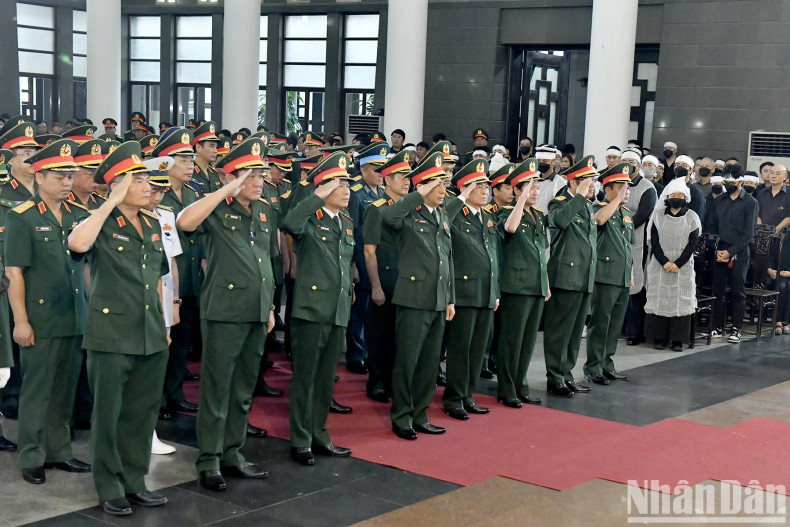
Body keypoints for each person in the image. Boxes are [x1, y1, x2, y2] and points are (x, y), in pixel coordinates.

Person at [68, 141, 170, 516]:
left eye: (145, 180)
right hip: (111, 333)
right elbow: (77, 243)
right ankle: (109, 486)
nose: (147, 187)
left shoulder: (153, 222)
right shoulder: (99, 222)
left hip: (149, 332)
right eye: (137, 181)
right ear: (118, 185)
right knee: (108, 415)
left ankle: (134, 480)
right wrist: (109, 202)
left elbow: (157, 278)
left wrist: (163, 322)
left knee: (141, 414)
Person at [176, 137, 275, 490]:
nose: (258, 182)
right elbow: (185, 222)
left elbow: (265, 260)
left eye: (260, 175)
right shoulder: (216, 208)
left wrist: (270, 306)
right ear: (232, 178)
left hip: (256, 310)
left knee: (243, 388)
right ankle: (209, 459)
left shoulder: (263, 210)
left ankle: (232, 452)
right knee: (217, 388)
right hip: (224, 311)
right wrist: (224, 191)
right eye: (250, 176)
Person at [5, 139, 91, 485]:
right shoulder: (21, 216)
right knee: (37, 390)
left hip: (74, 314)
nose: (67, 182)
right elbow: (14, 272)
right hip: (40, 318)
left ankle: (59, 451)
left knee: (65, 389)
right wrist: (21, 321)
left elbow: (86, 268)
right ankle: (31, 455)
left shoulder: (77, 214)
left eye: (70, 176)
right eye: (59, 176)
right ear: (39, 177)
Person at [280, 152, 355, 466]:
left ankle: (320, 434)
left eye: (347, 184)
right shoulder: (310, 218)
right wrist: (317, 196)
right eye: (340, 185)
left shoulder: (346, 223)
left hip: (337, 309)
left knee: (325, 379)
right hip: (311, 310)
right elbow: (288, 222)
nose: (347, 190)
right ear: (324, 188)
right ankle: (300, 440)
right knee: (305, 378)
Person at [383, 151, 455, 440]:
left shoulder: (443, 216)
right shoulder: (408, 212)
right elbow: (389, 217)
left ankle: (420, 413)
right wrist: (418, 194)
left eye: (444, 184)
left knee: (429, 362)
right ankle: (401, 416)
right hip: (413, 298)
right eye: (437, 185)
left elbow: (448, 259)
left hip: (438, 298)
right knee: (407, 361)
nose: (443, 190)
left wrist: (450, 298)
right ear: (423, 186)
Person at [441, 159, 499, 420]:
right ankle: (453, 398)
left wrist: (495, 291)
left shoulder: (487, 216)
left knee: (477, 350)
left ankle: (468, 395)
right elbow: (443, 220)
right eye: (479, 186)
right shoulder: (455, 213)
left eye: (487, 186)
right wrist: (461, 198)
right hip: (464, 292)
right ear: (465, 188)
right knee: (460, 349)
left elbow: (493, 255)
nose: (485, 191)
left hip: (486, 292)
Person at [151, 128, 202, 419]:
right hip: (163, 279)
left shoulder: (193, 192)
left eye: (191, 159)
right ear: (166, 161)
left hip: (188, 276)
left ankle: (175, 393)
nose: (189, 165)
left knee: (181, 341)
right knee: (162, 341)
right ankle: (157, 399)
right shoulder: (155, 193)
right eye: (183, 160)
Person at [543, 155, 598, 397]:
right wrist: (578, 196)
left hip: (584, 276)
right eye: (587, 181)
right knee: (560, 330)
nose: (592, 186)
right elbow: (561, 222)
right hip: (565, 276)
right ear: (573, 182)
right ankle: (555, 377)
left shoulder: (587, 205)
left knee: (575, 332)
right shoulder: (559, 202)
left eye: (593, 181)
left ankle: (566, 374)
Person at [495, 159, 546, 408]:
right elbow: (511, 228)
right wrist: (521, 200)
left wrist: (545, 284)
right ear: (516, 189)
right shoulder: (506, 211)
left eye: (537, 187)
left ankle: (520, 385)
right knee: (511, 340)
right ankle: (506, 389)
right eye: (529, 187)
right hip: (516, 285)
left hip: (536, 285)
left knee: (527, 341)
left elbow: (541, 252)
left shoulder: (538, 215)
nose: (535, 192)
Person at [363, 150, 412, 403]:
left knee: (400, 338)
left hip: (407, 284)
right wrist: (375, 286)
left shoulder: (410, 209)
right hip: (386, 281)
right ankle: (377, 382)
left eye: (409, 177)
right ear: (387, 180)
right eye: (401, 177)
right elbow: (369, 251)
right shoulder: (377, 209)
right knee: (380, 336)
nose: (407, 182)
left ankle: (393, 381)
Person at [142, 156, 180, 456]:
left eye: (161, 191)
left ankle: (149, 430)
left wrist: (175, 302)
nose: (156, 196)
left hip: (164, 298)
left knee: (157, 367)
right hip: (140, 301)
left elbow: (172, 262)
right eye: (152, 189)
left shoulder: (166, 216)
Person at [584, 163, 634, 384]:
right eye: (621, 187)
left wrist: (631, 274)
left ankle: (607, 364)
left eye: (628, 188)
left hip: (621, 275)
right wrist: (616, 201)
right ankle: (593, 366)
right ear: (608, 189)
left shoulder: (626, 213)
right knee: (600, 322)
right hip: (604, 276)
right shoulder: (599, 208)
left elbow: (628, 246)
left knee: (615, 324)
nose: (626, 192)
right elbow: (599, 220)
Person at [346, 142, 390, 375]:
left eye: (383, 169)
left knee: (374, 313)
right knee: (359, 311)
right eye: (376, 169)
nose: (381, 174)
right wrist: (353, 264)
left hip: (379, 261)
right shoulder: (356, 194)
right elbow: (352, 230)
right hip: (362, 260)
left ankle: (369, 353)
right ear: (363, 170)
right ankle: (355, 354)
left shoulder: (383, 193)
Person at [644, 177, 701, 351]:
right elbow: (655, 243)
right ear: (667, 198)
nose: (676, 198)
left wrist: (677, 263)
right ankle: (659, 338)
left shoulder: (692, 217)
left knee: (680, 300)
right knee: (660, 298)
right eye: (673, 195)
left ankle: (678, 340)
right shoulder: (658, 217)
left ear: (685, 198)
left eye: (680, 195)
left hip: (683, 265)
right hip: (660, 264)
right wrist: (665, 262)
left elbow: (692, 244)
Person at [707, 163, 758, 343]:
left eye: (731, 182)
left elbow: (748, 234)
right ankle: (717, 326)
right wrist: (717, 250)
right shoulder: (719, 200)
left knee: (738, 291)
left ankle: (736, 328)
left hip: (739, 251)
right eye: (725, 182)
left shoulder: (750, 203)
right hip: (720, 250)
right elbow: (711, 226)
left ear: (740, 182)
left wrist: (730, 252)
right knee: (718, 290)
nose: (727, 185)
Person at [624, 154, 658, 346]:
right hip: (617, 238)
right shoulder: (618, 182)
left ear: (638, 166)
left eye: (632, 163)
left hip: (638, 240)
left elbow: (644, 214)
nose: (628, 166)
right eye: (625, 162)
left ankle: (635, 331)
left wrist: (623, 227)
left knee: (636, 285)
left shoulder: (647, 187)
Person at [757, 164, 790, 232]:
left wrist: (775, 231)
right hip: (762, 234)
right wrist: (761, 229)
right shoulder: (762, 193)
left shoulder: (788, 193)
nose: (773, 176)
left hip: (783, 235)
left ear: (785, 176)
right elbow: (757, 214)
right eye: (772, 173)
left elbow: (788, 217)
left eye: (778, 173)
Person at [191, 121, 222, 194]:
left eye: (216, 147)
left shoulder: (214, 173)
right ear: (198, 147)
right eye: (211, 146)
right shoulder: (190, 172)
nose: (215, 151)